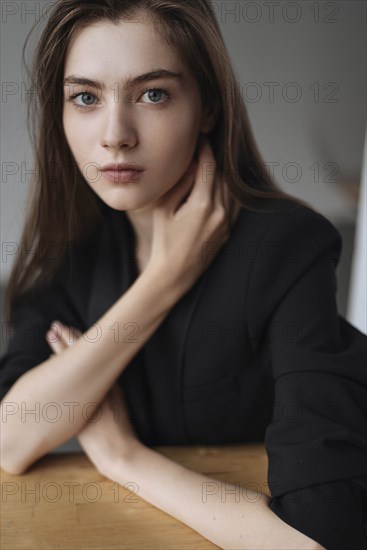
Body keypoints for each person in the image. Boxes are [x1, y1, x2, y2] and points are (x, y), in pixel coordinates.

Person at [0, 1, 366, 549]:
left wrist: (125, 459)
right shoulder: (71, 250)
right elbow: (10, 441)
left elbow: (316, 538)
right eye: (85, 97)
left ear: (209, 107)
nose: (116, 134)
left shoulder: (286, 246)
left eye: (153, 94)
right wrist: (163, 279)